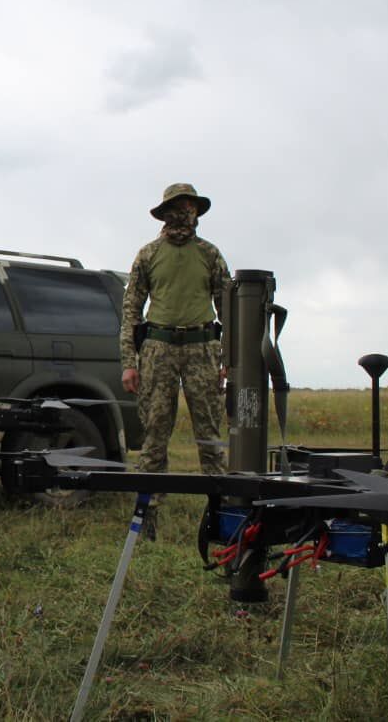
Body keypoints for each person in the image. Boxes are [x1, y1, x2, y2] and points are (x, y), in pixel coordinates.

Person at [119, 183, 230, 540]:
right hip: (158, 349)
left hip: (202, 349)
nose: (184, 214)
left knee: (211, 435)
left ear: (197, 212)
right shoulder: (148, 255)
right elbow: (131, 310)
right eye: (178, 207)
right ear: (165, 212)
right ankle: (146, 518)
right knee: (154, 433)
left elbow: (228, 307)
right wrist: (129, 361)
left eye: (190, 207)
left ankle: (222, 515)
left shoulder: (210, 254)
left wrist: (231, 358)